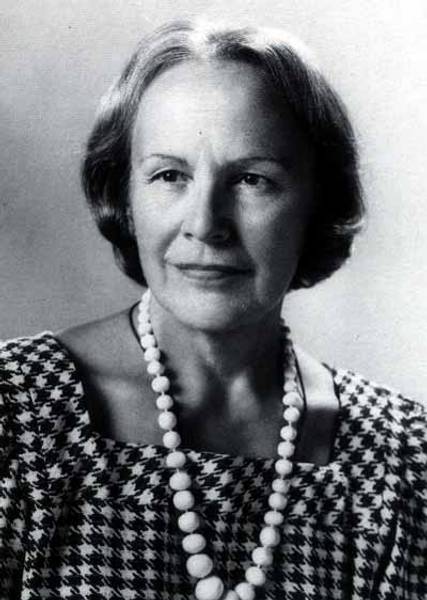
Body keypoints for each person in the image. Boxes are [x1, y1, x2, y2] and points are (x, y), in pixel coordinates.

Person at [0, 18, 425, 600]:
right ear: (124, 197)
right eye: (169, 175)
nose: (205, 224)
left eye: (252, 179)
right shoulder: (16, 417)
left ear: (317, 202)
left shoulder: (402, 459)